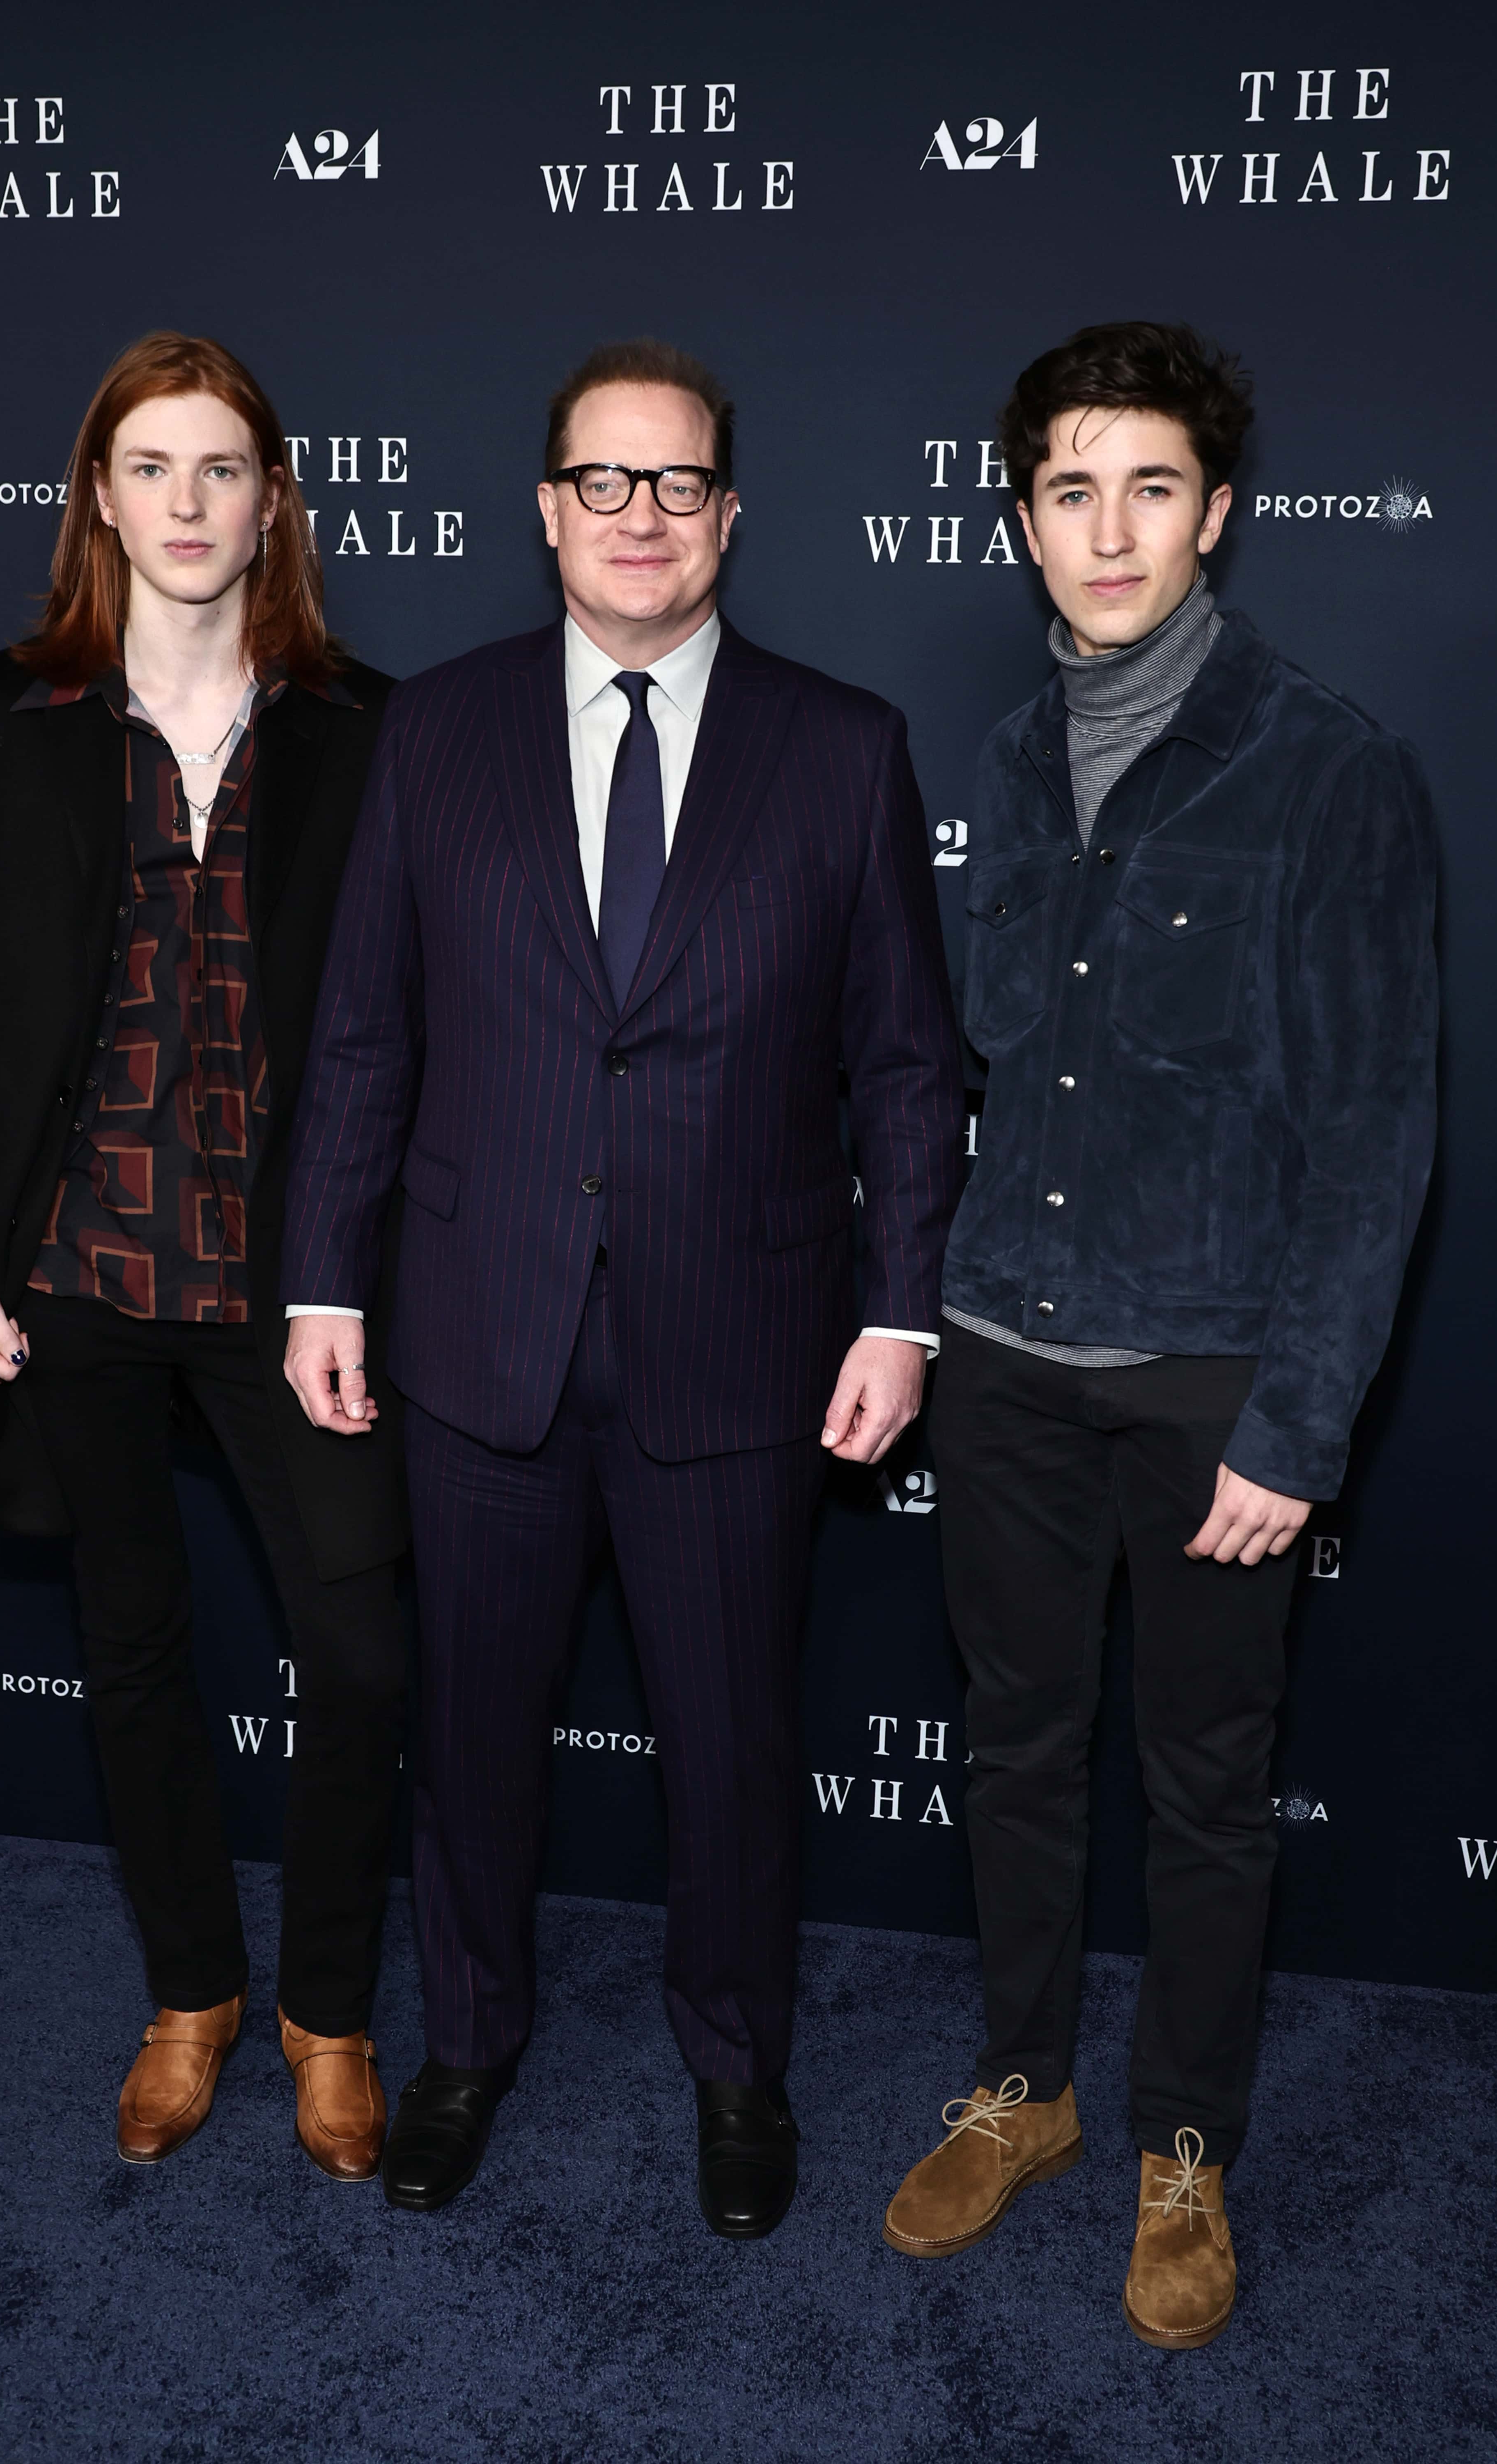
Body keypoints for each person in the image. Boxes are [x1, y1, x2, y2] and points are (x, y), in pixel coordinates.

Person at [283, 337, 965, 2237]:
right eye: (607, 481)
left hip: (739, 1347)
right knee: (475, 1733)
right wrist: (322, 1283)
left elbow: (908, 1063)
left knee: (738, 1744)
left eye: (679, 484)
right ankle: (469, 2042)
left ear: (730, 515)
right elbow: (362, 1035)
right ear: (547, 512)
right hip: (474, 1335)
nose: (642, 516)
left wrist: (900, 1313)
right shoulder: (441, 730)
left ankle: (740, 2066)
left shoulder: (844, 746)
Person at [882, 323, 1437, 2346]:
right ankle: (1025, 2093)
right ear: (1023, 516)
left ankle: (1182, 2147)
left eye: (1147, 488)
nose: (1104, 532)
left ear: (1217, 510)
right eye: (1065, 489)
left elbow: (1379, 1133)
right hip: (1007, 1355)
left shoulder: (1330, 763)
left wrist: (1295, 1427)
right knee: (1014, 1753)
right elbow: (994, 1073)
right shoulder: (1015, 755)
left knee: (1206, 1790)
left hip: (1212, 1384)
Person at [0, 332, 409, 2180]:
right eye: (151, 468)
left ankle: (326, 2012)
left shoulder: (368, 727)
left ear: (274, 501)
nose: (188, 505)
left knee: (360, 1656)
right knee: (134, 1649)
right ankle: (191, 1993)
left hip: (298, 1293)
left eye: (222, 470)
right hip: (79, 1275)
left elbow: (408, 1033)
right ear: (98, 498)